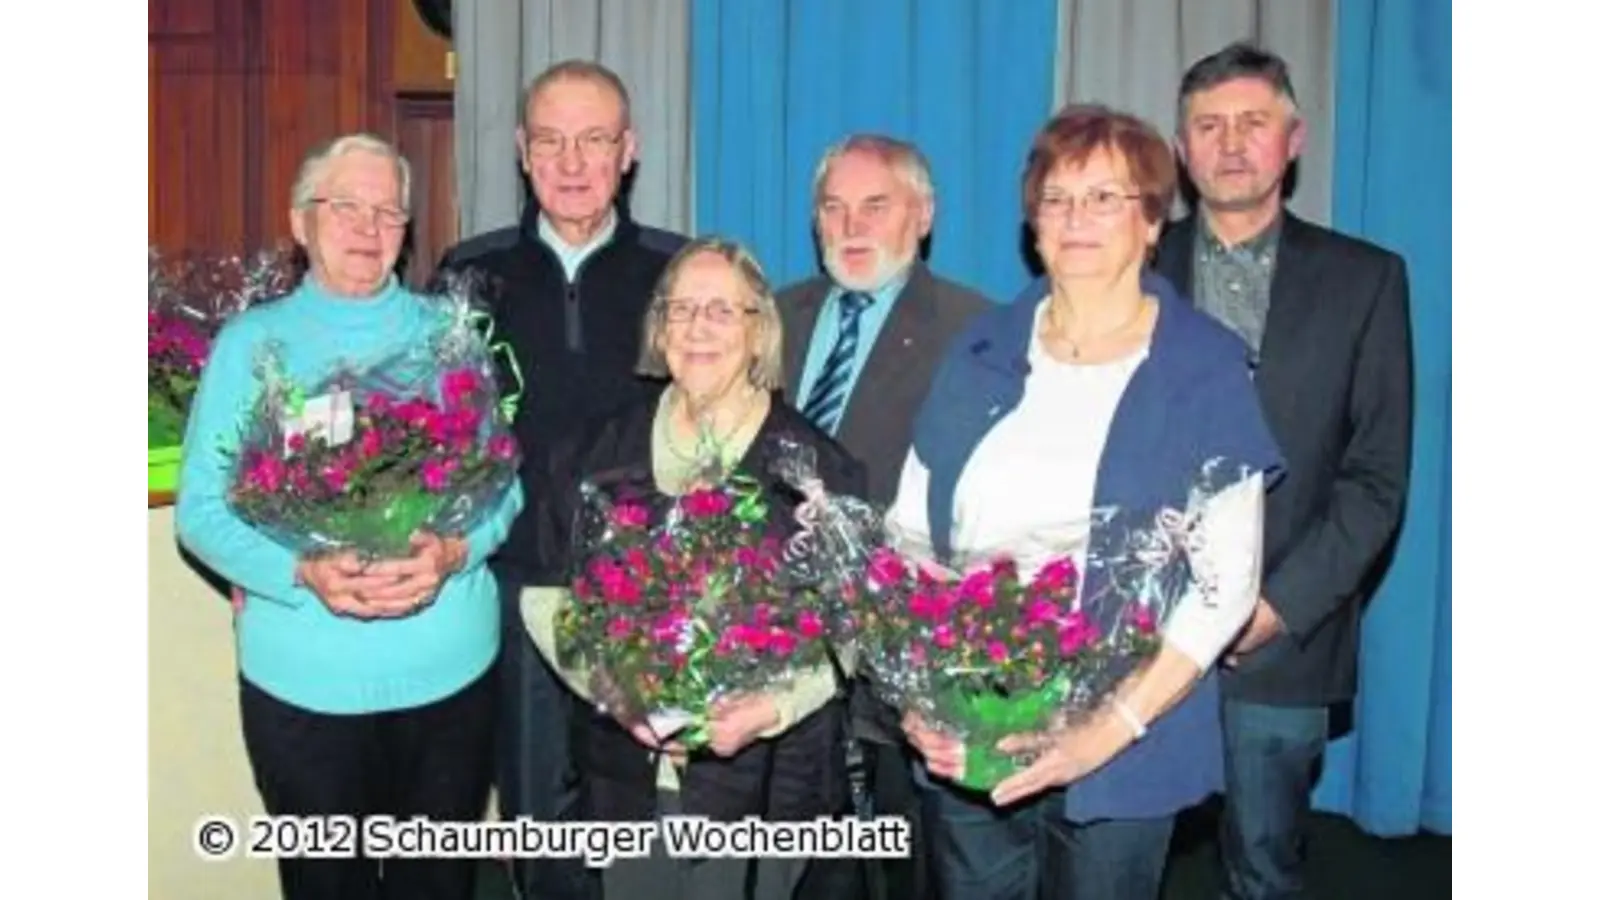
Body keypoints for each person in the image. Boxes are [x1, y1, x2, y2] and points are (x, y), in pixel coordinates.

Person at [892, 105, 1285, 900]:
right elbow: (909, 530)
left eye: (1105, 198)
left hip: (1125, 738)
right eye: (1057, 199)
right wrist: (917, 690)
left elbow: (1224, 588)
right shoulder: (979, 347)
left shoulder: (1203, 368)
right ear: (1032, 223)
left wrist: (1103, 733)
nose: (1077, 219)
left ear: (1150, 223)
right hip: (971, 714)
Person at [175, 133, 524, 900]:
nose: (368, 229)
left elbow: (506, 488)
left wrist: (456, 550)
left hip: (450, 679)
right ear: (302, 222)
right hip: (304, 688)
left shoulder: (450, 334)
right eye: (346, 208)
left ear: (407, 233)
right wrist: (296, 571)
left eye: (388, 213)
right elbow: (198, 512)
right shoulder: (252, 345)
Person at [521, 237, 868, 900]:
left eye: (721, 311)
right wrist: (619, 692)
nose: (698, 329)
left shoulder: (817, 470)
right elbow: (546, 595)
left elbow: (850, 624)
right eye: (681, 310)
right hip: (624, 778)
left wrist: (770, 707)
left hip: (765, 779)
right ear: (659, 328)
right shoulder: (596, 452)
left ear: (758, 329)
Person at [1156, 42, 1414, 900]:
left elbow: (1376, 479)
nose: (1231, 144)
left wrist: (1276, 609)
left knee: (1263, 866)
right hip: (1133, 636)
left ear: (1294, 138)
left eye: (1253, 122)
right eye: (1209, 125)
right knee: (1114, 866)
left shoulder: (1368, 280)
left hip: (1281, 645)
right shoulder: (1128, 270)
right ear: (1183, 149)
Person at [433, 59, 688, 900]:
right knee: (539, 821)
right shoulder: (468, 274)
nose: (572, 163)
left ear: (629, 151)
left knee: (642, 824)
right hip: (514, 590)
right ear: (520, 149)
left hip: (646, 595)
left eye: (593, 141)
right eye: (550, 141)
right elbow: (427, 433)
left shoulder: (682, 273)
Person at [777, 133, 989, 900]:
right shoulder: (773, 316)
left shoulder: (978, 330)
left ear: (923, 215)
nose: (851, 225)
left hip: (907, 643)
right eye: (833, 208)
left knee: (910, 863)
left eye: (875, 205)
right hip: (781, 636)